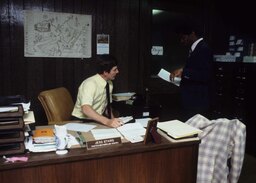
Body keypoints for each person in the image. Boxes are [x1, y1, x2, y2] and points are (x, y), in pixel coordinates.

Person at [170, 22, 214, 120]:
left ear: (192, 34)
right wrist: (182, 70)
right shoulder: (195, 49)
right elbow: (197, 68)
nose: (181, 41)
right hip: (190, 101)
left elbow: (205, 75)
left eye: (183, 37)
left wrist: (184, 72)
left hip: (197, 103)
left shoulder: (204, 49)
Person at [72, 54, 123, 128]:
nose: (117, 72)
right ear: (105, 72)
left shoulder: (109, 84)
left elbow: (106, 107)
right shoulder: (90, 84)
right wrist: (107, 121)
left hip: (97, 120)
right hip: (82, 122)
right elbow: (86, 109)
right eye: (114, 70)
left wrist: (113, 120)